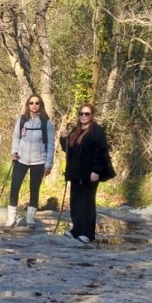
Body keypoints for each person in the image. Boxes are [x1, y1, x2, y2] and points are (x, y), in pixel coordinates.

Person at [59, 102, 113, 244]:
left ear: (92, 115)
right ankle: (76, 230)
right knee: (75, 202)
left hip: (90, 173)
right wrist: (63, 138)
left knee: (87, 203)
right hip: (76, 173)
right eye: (81, 113)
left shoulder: (97, 131)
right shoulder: (75, 130)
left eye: (87, 114)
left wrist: (96, 170)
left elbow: (100, 152)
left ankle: (88, 233)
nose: (84, 116)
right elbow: (68, 149)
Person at [6, 94, 55, 229]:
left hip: (39, 161)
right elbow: (16, 138)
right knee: (14, 187)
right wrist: (14, 152)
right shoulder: (22, 120)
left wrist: (48, 164)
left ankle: (30, 218)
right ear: (27, 105)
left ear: (41, 105)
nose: (34, 105)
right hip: (21, 159)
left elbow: (51, 144)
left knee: (34, 189)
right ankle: (11, 218)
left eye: (37, 103)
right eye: (31, 103)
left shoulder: (46, 123)